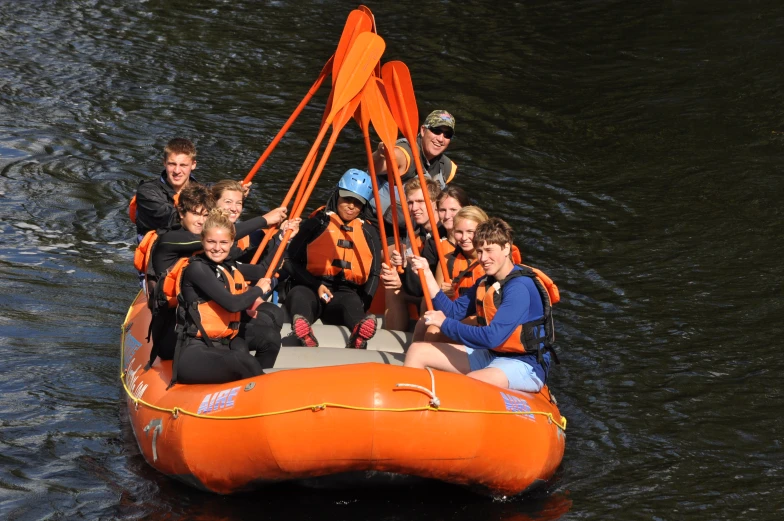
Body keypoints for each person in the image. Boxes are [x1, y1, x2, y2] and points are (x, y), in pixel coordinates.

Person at [404, 218, 559, 392]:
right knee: (417, 351)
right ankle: (410, 408)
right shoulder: (486, 282)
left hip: (526, 363)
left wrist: (445, 324)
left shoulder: (520, 287)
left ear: (506, 247)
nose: (483, 258)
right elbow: (453, 312)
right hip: (492, 354)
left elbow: (492, 337)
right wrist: (426, 274)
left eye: (488, 250)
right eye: (479, 251)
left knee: (472, 381)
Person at [172, 209, 284, 385]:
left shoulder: (228, 266)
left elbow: (263, 271)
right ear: (202, 241)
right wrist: (258, 290)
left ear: (232, 242)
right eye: (211, 242)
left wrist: (282, 239)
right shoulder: (197, 269)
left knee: (270, 338)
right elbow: (233, 304)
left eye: (224, 242)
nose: (217, 248)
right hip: (194, 350)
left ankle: (252, 389)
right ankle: (262, 389)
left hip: (223, 341)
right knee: (242, 360)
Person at [283, 169, 382, 349]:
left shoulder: (369, 232)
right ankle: (304, 331)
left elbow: (375, 273)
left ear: (364, 206)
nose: (351, 206)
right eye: (346, 199)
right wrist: (315, 285)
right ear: (337, 196)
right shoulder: (316, 223)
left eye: (357, 203)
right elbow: (289, 260)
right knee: (299, 295)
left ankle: (358, 333)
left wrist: (364, 303)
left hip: (345, 293)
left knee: (352, 304)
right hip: (311, 286)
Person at [369, 110, 458, 225]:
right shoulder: (406, 153)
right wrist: (380, 154)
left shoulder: (447, 167)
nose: (441, 139)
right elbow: (375, 167)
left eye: (447, 135)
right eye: (436, 131)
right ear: (423, 130)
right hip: (380, 224)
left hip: (418, 228)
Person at [380, 177, 445, 331]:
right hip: (419, 287)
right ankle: (394, 340)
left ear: (435, 202)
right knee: (392, 288)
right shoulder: (417, 232)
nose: (414, 207)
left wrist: (405, 267)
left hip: (440, 295)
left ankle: (423, 343)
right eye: (410, 202)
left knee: (426, 298)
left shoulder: (443, 232)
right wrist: (400, 271)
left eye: (420, 201)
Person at [210, 180, 299, 265]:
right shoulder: (203, 228)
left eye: (239, 203)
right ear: (213, 202)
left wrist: (281, 236)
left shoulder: (231, 247)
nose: (234, 208)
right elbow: (223, 233)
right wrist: (265, 219)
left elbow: (244, 259)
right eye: (228, 202)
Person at [132, 138, 198, 242]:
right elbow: (170, 218)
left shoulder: (204, 192)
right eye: (172, 164)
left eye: (183, 165)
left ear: (193, 165)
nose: (177, 171)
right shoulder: (147, 192)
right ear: (164, 163)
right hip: (159, 252)